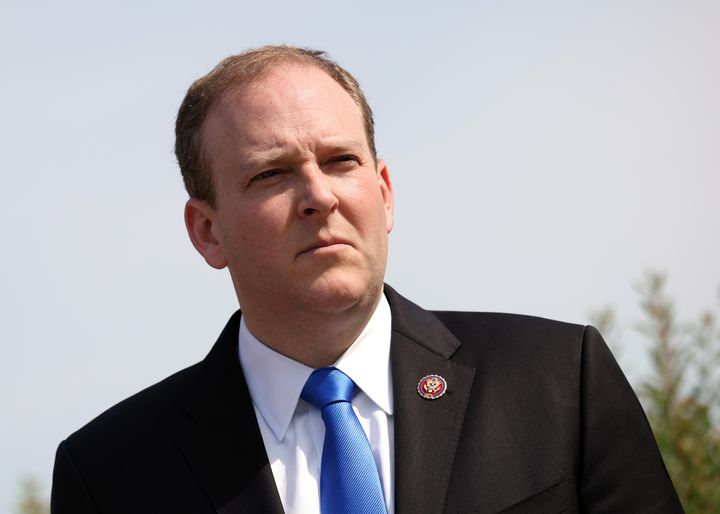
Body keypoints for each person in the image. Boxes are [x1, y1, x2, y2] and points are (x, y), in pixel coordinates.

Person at [51, 46, 683, 514]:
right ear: (207, 232)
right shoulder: (111, 473)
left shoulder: (558, 383)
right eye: (271, 174)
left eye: (340, 161)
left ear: (383, 193)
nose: (318, 196)